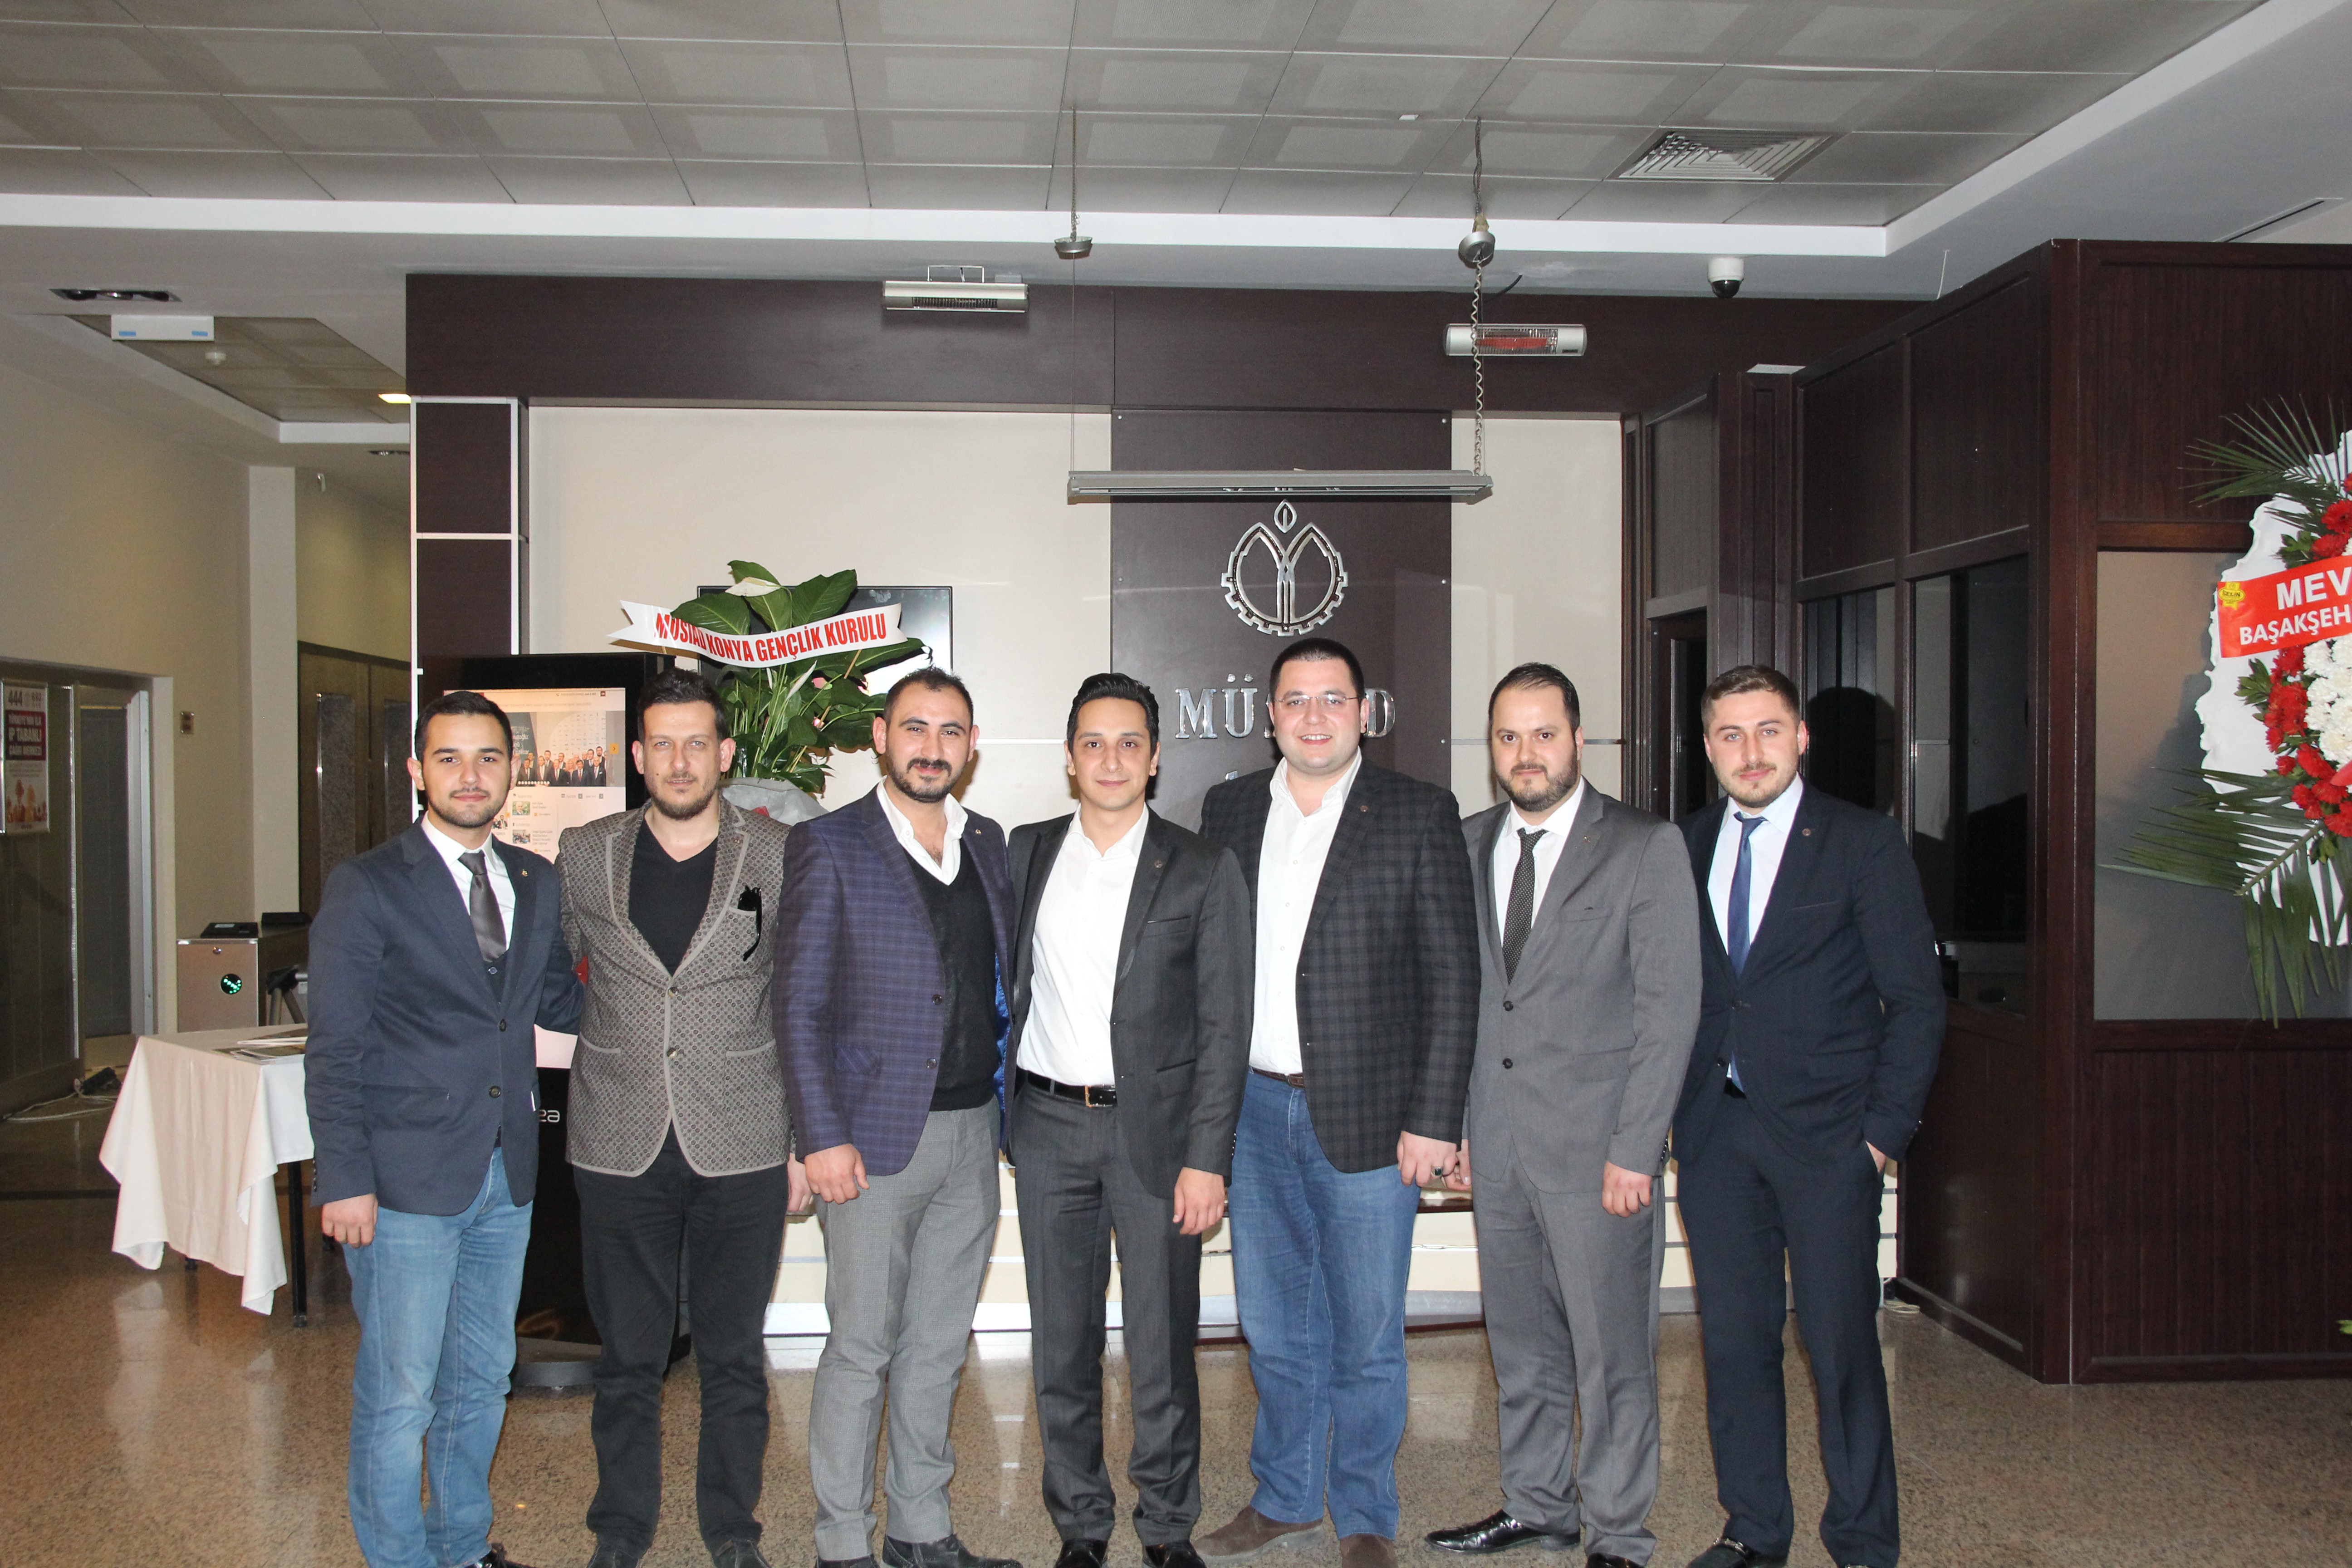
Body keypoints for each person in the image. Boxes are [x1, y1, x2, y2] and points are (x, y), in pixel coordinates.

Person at [1193, 637, 1480, 1568]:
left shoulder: (1418, 813)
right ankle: (1284, 1497)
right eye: (1295, 700)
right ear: (1270, 715)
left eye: (1332, 699)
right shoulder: (1231, 809)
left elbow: (1454, 976)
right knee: (1274, 1327)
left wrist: (1436, 1119)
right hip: (1252, 1113)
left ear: (1364, 712)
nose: (1313, 716)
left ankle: (1364, 1512)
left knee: (1366, 1334)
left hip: (1374, 1118)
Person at [1426, 665, 1701, 1568]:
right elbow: (1466, 1002)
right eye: (1509, 737)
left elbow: (1669, 1014)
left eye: (1544, 734)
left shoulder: (1644, 846)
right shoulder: (1468, 843)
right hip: (1499, 1147)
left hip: (1601, 1156)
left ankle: (1619, 1531)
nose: (1526, 753)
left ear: (1579, 740)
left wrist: (1638, 1149)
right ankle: (1537, 1504)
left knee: (1612, 1356)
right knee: (1522, 1346)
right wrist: (1462, 1125)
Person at [1672, 666, 1943, 1568]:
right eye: (1731, 735)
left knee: (1840, 1347)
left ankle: (1863, 1540)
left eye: (1768, 731)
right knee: (1736, 1345)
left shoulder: (1862, 843)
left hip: (1831, 1143)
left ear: (1801, 737)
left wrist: (1881, 1137)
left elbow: (1916, 1001)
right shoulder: (1685, 843)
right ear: (1708, 747)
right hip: (1716, 1135)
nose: (1750, 752)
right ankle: (1754, 1530)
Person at [307, 689, 585, 1568]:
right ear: (416, 771)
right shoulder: (368, 886)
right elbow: (335, 1048)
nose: (471, 776)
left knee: (481, 1380)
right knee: (401, 1394)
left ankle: (462, 1547)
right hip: (402, 1186)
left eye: (488, 758)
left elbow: (557, 1003)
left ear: (514, 770)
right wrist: (344, 1179)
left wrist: (662, 991)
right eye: (450, 758)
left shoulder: (535, 879)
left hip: (507, 1176)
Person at [555, 669, 807, 1568]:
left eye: (696, 742)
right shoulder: (586, 853)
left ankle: (732, 1531)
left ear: (725, 753)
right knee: (628, 1360)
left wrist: (802, 1144)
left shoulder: (777, 855)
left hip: (743, 1137)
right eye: (661, 743)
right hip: (617, 1139)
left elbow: (797, 998)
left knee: (734, 1358)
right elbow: (571, 969)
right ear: (637, 755)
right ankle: (620, 1532)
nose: (679, 760)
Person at [1004, 673, 1254, 1568]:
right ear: (1070, 758)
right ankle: (1079, 1522)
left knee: (1162, 1345)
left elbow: (1225, 1026)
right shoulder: (1027, 852)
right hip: (1047, 1129)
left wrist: (1208, 1158)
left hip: (1159, 1139)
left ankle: (1166, 1523)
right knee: (1060, 1342)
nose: (1110, 760)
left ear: (1154, 759)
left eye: (1129, 743)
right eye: (1093, 743)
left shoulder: (1201, 866)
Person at [776, 668, 1021, 1568]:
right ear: (881, 736)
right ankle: (843, 1543)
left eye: (950, 731)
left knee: (937, 1347)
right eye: (915, 728)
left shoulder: (986, 842)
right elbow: (798, 1004)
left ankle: (921, 1531)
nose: (931, 747)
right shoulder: (830, 843)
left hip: (972, 1133)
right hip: (870, 1145)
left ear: (972, 744)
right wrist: (819, 1136)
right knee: (861, 1348)